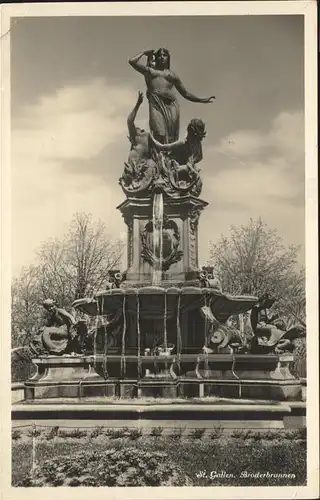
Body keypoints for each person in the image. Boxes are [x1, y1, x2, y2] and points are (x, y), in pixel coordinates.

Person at [129, 48, 215, 144]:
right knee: (158, 132)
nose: (162, 57)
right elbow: (132, 62)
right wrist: (144, 53)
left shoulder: (171, 75)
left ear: (168, 58)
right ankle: (159, 156)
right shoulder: (150, 72)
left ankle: (168, 157)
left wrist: (201, 100)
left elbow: (185, 93)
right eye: (159, 55)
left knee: (171, 136)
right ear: (156, 58)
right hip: (156, 105)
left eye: (164, 55)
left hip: (171, 106)